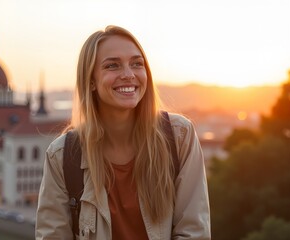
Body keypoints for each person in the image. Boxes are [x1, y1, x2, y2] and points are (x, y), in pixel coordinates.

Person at [36, 25, 211, 240]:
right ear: (91, 81)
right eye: (113, 66)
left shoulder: (179, 137)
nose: (128, 75)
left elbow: (194, 232)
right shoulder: (62, 156)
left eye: (137, 64)